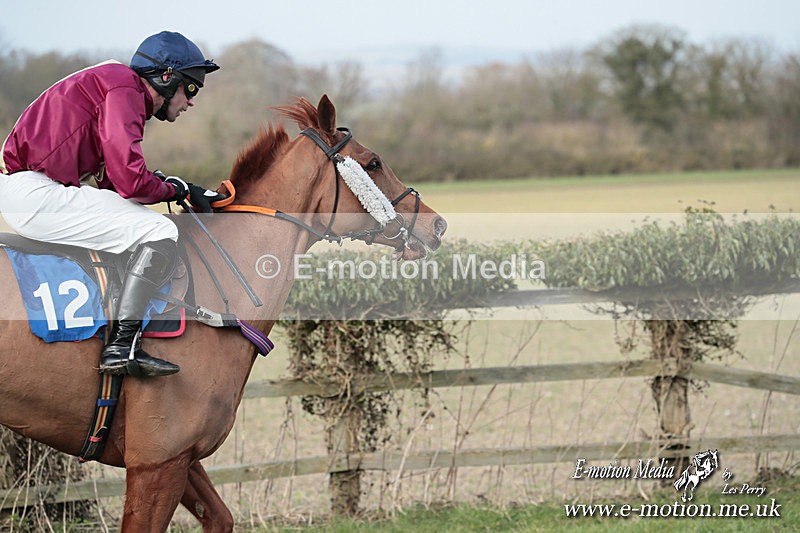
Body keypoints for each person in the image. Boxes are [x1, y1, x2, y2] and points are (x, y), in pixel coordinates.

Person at [0, 31, 226, 377]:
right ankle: (122, 346)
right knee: (159, 228)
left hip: (29, 190)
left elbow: (114, 184)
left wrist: (180, 187)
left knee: (138, 222)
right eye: (191, 88)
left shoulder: (117, 86)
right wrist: (176, 190)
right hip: (34, 192)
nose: (191, 101)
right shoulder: (125, 90)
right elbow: (131, 181)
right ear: (166, 77)